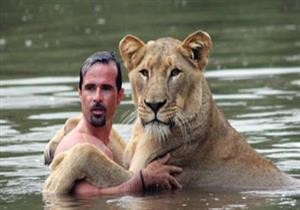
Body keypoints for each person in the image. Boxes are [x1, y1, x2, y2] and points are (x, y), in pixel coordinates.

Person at [53, 51, 182, 195]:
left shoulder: (113, 144)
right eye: (90, 88)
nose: (97, 97)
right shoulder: (73, 145)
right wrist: (142, 180)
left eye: (106, 88)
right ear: (80, 93)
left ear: (120, 96)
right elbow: (82, 198)